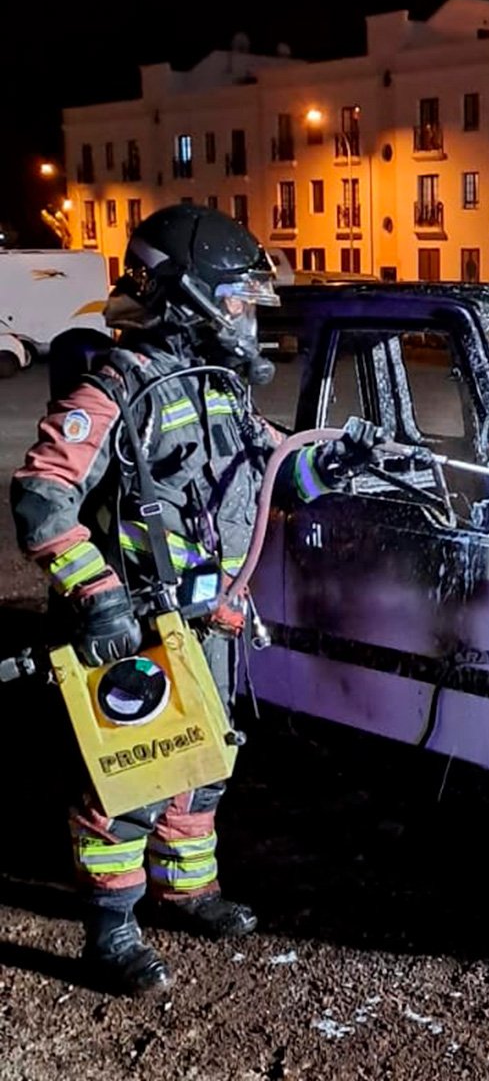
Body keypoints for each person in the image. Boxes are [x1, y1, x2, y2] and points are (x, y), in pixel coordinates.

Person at [10, 205, 382, 995]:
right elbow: (42, 496)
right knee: (130, 781)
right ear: (192, 298)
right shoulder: (112, 388)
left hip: (208, 622)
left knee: (205, 768)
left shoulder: (221, 394)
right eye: (240, 299)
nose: (249, 318)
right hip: (137, 628)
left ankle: (187, 889)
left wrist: (338, 466)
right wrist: (99, 598)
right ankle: (110, 929)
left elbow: (270, 483)